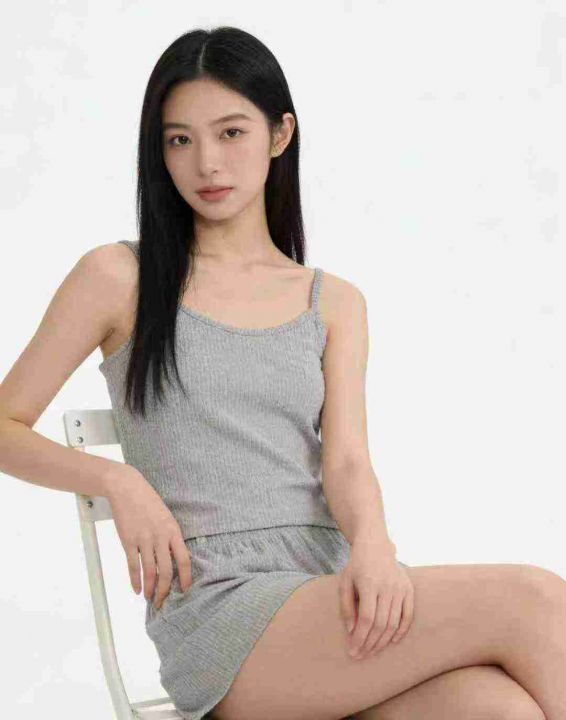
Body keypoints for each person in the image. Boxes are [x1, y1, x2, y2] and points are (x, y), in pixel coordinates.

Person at [1, 25, 564, 720]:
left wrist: (376, 545)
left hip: (329, 590)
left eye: (231, 133)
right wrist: (117, 481)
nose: (207, 162)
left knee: (501, 710)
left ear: (280, 134)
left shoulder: (333, 303)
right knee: (536, 600)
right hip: (222, 611)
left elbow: (347, 463)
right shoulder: (119, 277)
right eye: (179, 139)